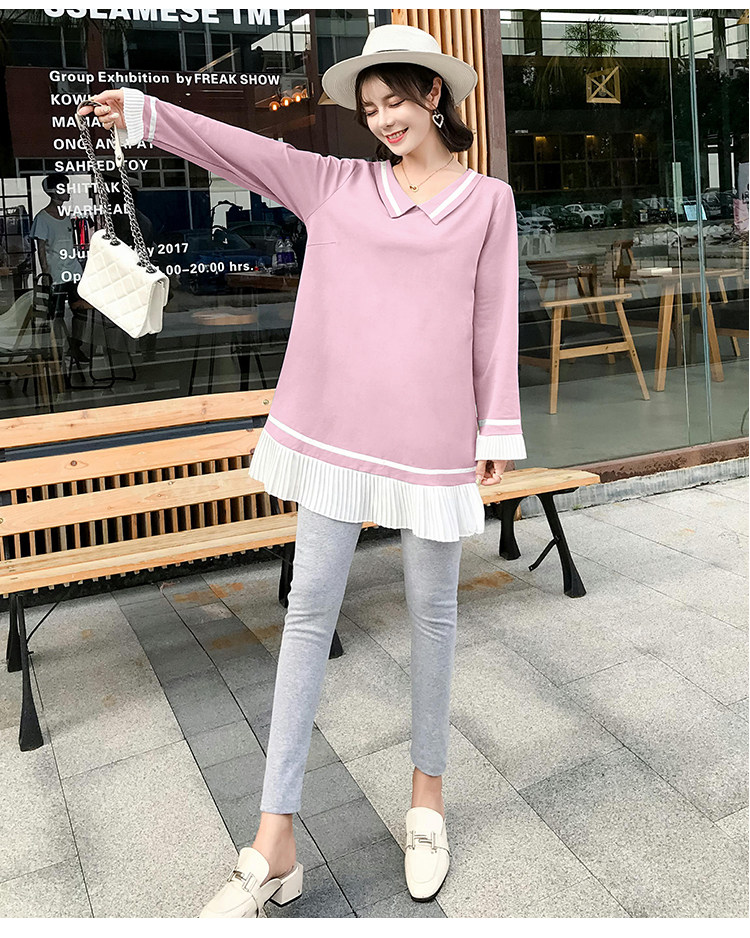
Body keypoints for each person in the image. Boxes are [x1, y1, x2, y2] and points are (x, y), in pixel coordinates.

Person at [77, 22, 526, 919]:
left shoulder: (488, 202)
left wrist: (496, 427)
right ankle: (273, 841)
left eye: (395, 101)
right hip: (334, 437)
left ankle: (427, 804)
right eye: (371, 108)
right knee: (308, 616)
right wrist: (147, 114)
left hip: (433, 437)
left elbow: (493, 319)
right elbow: (241, 150)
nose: (384, 120)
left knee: (434, 617)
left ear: (434, 95)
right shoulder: (337, 185)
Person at [30, 173, 92, 362]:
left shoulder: (67, 216)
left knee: (81, 309)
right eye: (63, 187)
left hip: (73, 271)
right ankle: (58, 349)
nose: (68, 191)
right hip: (56, 273)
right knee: (56, 313)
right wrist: (46, 273)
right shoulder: (42, 218)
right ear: (54, 191)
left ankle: (75, 346)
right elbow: (41, 248)